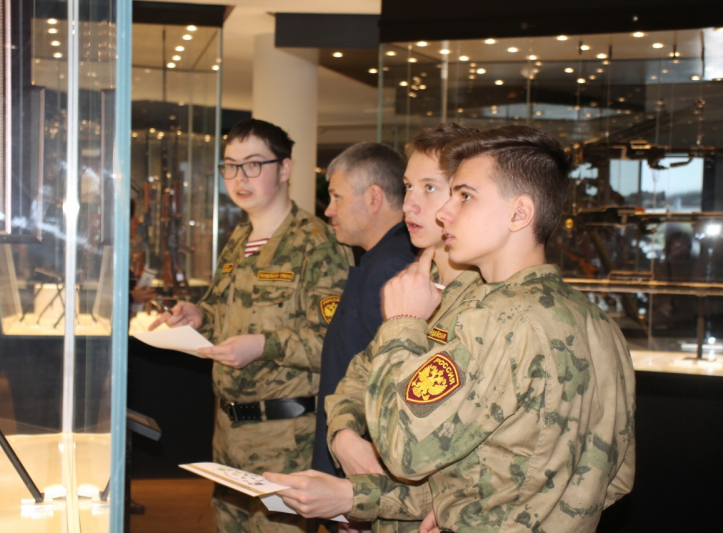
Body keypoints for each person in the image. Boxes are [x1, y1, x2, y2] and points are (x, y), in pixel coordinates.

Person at [267, 125, 636, 533]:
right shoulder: (599, 323)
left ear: (519, 213)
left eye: (465, 196)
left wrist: (403, 324)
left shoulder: (493, 320)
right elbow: (614, 475)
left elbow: (405, 450)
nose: (443, 212)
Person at [149, 118, 352, 533]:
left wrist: (263, 345)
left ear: (285, 168)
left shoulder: (317, 243)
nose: (239, 177)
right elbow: (224, 313)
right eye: (230, 165)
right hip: (228, 435)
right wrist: (198, 317)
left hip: (285, 441)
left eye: (253, 164)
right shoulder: (239, 239)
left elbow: (334, 344)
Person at [323, 124, 480, 533]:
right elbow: (357, 378)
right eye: (409, 187)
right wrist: (343, 436)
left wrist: (363, 498)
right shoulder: (414, 283)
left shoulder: (485, 305)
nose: (409, 204)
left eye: (429, 188)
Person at [312, 142, 416, 482]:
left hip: (363, 465)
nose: (329, 210)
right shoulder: (380, 259)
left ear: (373, 198)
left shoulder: (392, 265)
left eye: (337, 197)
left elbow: (386, 382)